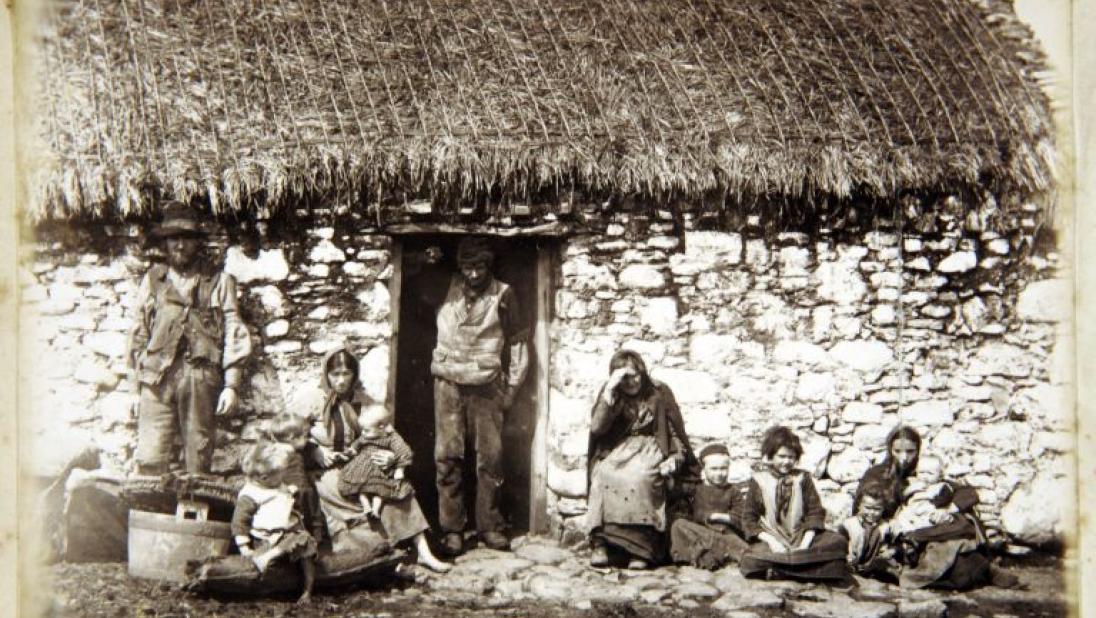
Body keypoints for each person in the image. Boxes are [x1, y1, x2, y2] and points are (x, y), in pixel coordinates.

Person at [408, 237, 530, 555]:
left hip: (487, 385)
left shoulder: (504, 294)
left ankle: (490, 526)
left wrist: (513, 390)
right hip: (447, 384)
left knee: (490, 458)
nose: (473, 274)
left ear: (489, 266)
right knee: (447, 457)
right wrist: (423, 260)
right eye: (467, 267)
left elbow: (518, 343)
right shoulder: (443, 288)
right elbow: (407, 279)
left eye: (479, 267)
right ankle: (452, 530)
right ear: (459, 267)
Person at [127, 202, 252, 475]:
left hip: (200, 376)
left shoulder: (219, 281)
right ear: (165, 243)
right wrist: (134, 388)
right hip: (156, 379)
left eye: (186, 239)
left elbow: (234, 330)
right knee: (150, 455)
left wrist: (232, 384)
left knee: (198, 456)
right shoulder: (153, 280)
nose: (180, 246)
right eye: (174, 239)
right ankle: (151, 514)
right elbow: (139, 333)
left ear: (197, 243)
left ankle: (191, 515)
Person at [306, 347, 451, 573]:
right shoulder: (312, 399)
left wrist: (391, 456)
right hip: (327, 471)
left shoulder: (364, 401)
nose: (341, 380)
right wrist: (314, 450)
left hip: (361, 464)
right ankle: (383, 556)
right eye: (335, 374)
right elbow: (286, 434)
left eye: (346, 374)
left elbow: (389, 435)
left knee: (396, 488)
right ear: (326, 374)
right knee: (357, 502)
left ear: (355, 374)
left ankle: (423, 552)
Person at [852, 426, 1018, 590]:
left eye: (910, 452)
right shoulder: (879, 474)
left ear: (918, 450)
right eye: (898, 451)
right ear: (890, 450)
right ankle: (983, 570)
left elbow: (967, 493)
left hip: (931, 531)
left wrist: (948, 509)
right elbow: (864, 507)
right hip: (899, 534)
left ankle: (984, 569)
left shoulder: (925, 472)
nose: (904, 458)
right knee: (957, 567)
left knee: (961, 529)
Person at [586, 350, 694, 570]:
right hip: (619, 448)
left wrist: (675, 456)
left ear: (643, 373)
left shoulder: (658, 393)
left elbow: (673, 430)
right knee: (603, 473)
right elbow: (597, 428)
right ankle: (601, 544)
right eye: (625, 377)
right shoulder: (612, 394)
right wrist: (609, 390)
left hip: (650, 447)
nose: (632, 382)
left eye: (635, 375)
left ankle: (641, 550)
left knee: (641, 478)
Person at [738, 426, 848, 583]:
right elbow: (749, 519)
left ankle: (782, 569)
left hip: (800, 536)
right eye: (781, 456)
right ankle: (803, 569)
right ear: (770, 456)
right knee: (751, 559)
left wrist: (805, 544)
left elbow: (815, 512)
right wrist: (773, 542)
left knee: (838, 542)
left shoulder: (803, 478)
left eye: (791, 457)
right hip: (772, 539)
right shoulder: (759, 480)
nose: (786, 461)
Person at [231, 442, 318, 604]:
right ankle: (266, 558)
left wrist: (292, 493)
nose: (283, 477)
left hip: (289, 535)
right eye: (280, 474)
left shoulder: (275, 485)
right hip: (267, 540)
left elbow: (288, 504)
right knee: (302, 538)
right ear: (264, 478)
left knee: (307, 551)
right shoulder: (250, 494)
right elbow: (240, 523)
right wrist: (244, 547)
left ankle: (307, 591)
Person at [669, 443, 750, 570]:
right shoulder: (695, 489)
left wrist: (719, 517)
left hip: (723, 534)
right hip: (701, 534)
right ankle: (711, 556)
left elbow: (742, 518)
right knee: (678, 525)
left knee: (741, 548)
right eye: (714, 469)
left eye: (723, 468)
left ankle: (711, 556)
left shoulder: (733, 491)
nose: (719, 473)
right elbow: (684, 514)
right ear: (703, 468)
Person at [337, 406, 415, 519]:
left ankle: (375, 510)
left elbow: (403, 452)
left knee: (380, 490)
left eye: (366, 430)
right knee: (359, 487)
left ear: (381, 427)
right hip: (362, 467)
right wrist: (352, 450)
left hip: (380, 469)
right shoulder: (366, 436)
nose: (363, 433)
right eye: (362, 430)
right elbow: (357, 443)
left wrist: (399, 470)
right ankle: (366, 507)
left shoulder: (392, 437)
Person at [264, 412, 325, 544]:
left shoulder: (273, 452)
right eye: (305, 436)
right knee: (312, 516)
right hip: (300, 495)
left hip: (282, 497)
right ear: (292, 437)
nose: (308, 439)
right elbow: (300, 480)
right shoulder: (294, 455)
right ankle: (317, 541)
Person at [838, 480, 899, 582]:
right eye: (868, 508)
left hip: (872, 565)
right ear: (859, 506)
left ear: (883, 509)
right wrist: (846, 556)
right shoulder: (849, 524)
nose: (872, 513)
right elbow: (840, 544)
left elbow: (892, 545)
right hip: (851, 562)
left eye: (877, 509)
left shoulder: (885, 527)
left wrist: (890, 551)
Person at [889, 455, 957, 536]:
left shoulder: (941, 486)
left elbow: (946, 497)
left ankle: (915, 536)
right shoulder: (911, 483)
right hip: (911, 509)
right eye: (921, 472)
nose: (925, 476)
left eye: (930, 473)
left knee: (929, 522)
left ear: (940, 476)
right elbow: (901, 497)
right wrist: (910, 489)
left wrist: (933, 505)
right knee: (901, 519)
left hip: (928, 510)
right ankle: (901, 534)